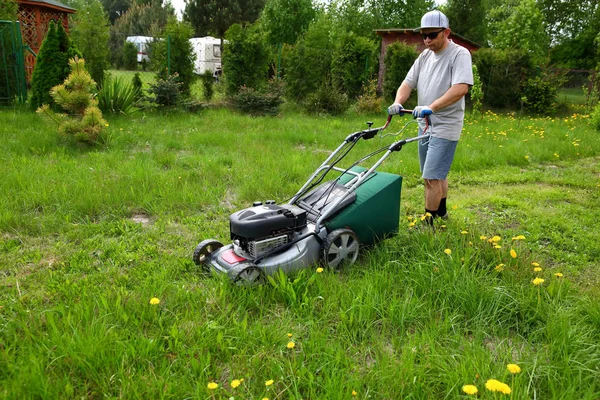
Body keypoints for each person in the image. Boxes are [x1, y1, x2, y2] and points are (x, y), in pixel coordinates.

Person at [388, 10, 473, 225]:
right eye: (423, 35)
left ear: (446, 32)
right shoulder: (424, 56)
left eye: (432, 35)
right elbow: (408, 83)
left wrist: (432, 107)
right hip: (424, 125)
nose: (427, 40)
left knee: (431, 178)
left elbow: (461, 87)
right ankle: (442, 214)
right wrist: (399, 102)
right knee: (436, 174)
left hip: (445, 126)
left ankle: (429, 225)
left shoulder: (459, 54)